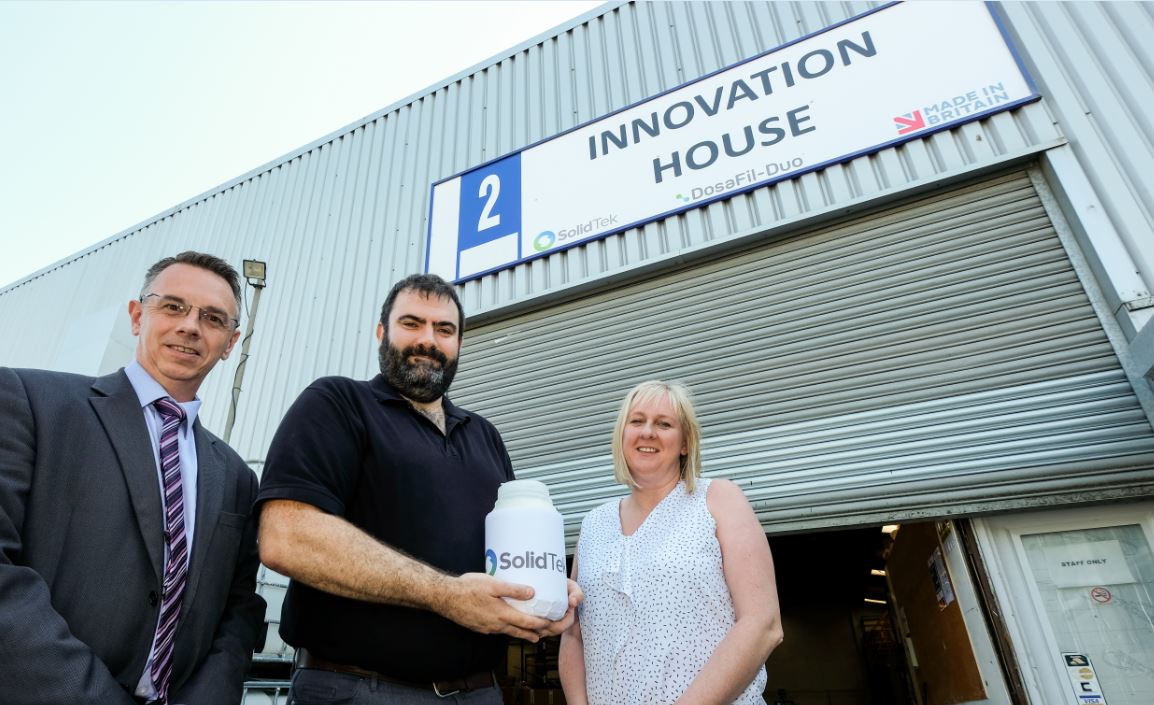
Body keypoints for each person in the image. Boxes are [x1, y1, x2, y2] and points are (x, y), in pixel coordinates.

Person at [257, 273, 581, 704]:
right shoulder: (337, 404)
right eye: (412, 323)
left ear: (459, 344)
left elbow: (510, 557)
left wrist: (547, 592)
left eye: (444, 329)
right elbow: (286, 537)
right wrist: (446, 595)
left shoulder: (485, 436)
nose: (428, 340)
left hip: (480, 691)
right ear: (381, 333)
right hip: (360, 690)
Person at [0, 251, 267, 705]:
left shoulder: (238, 477)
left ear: (230, 342)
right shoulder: (31, 403)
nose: (190, 326)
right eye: (173, 306)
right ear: (137, 315)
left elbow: (238, 610)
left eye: (213, 318)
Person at [559, 380, 784, 705]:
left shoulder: (719, 499)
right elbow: (574, 635)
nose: (648, 432)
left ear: (684, 443)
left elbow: (763, 624)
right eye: (636, 421)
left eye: (664, 424)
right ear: (622, 436)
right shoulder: (594, 524)